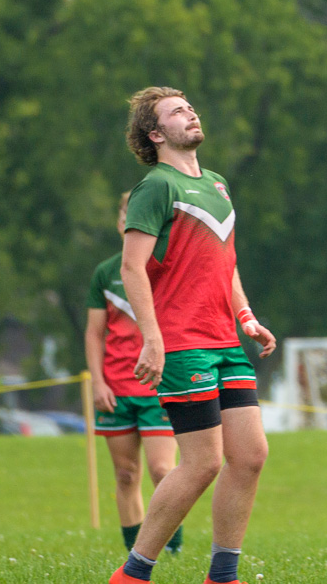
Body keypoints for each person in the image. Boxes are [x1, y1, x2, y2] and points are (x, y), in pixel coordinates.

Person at [107, 89, 276, 584]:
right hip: (183, 343)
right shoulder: (155, 187)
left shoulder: (218, 184)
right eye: (177, 111)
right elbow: (131, 267)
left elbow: (226, 263)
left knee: (249, 456)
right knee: (201, 462)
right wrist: (152, 339)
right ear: (156, 134)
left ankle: (222, 577)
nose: (191, 112)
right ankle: (133, 574)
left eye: (190, 106)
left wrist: (246, 317)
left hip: (225, 340)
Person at [87, 192, 183, 556]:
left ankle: (170, 547)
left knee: (163, 470)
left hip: (158, 386)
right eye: (128, 214)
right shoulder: (105, 273)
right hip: (116, 389)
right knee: (126, 475)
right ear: (119, 221)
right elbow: (94, 333)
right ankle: (134, 554)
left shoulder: (167, 268)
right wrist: (98, 381)